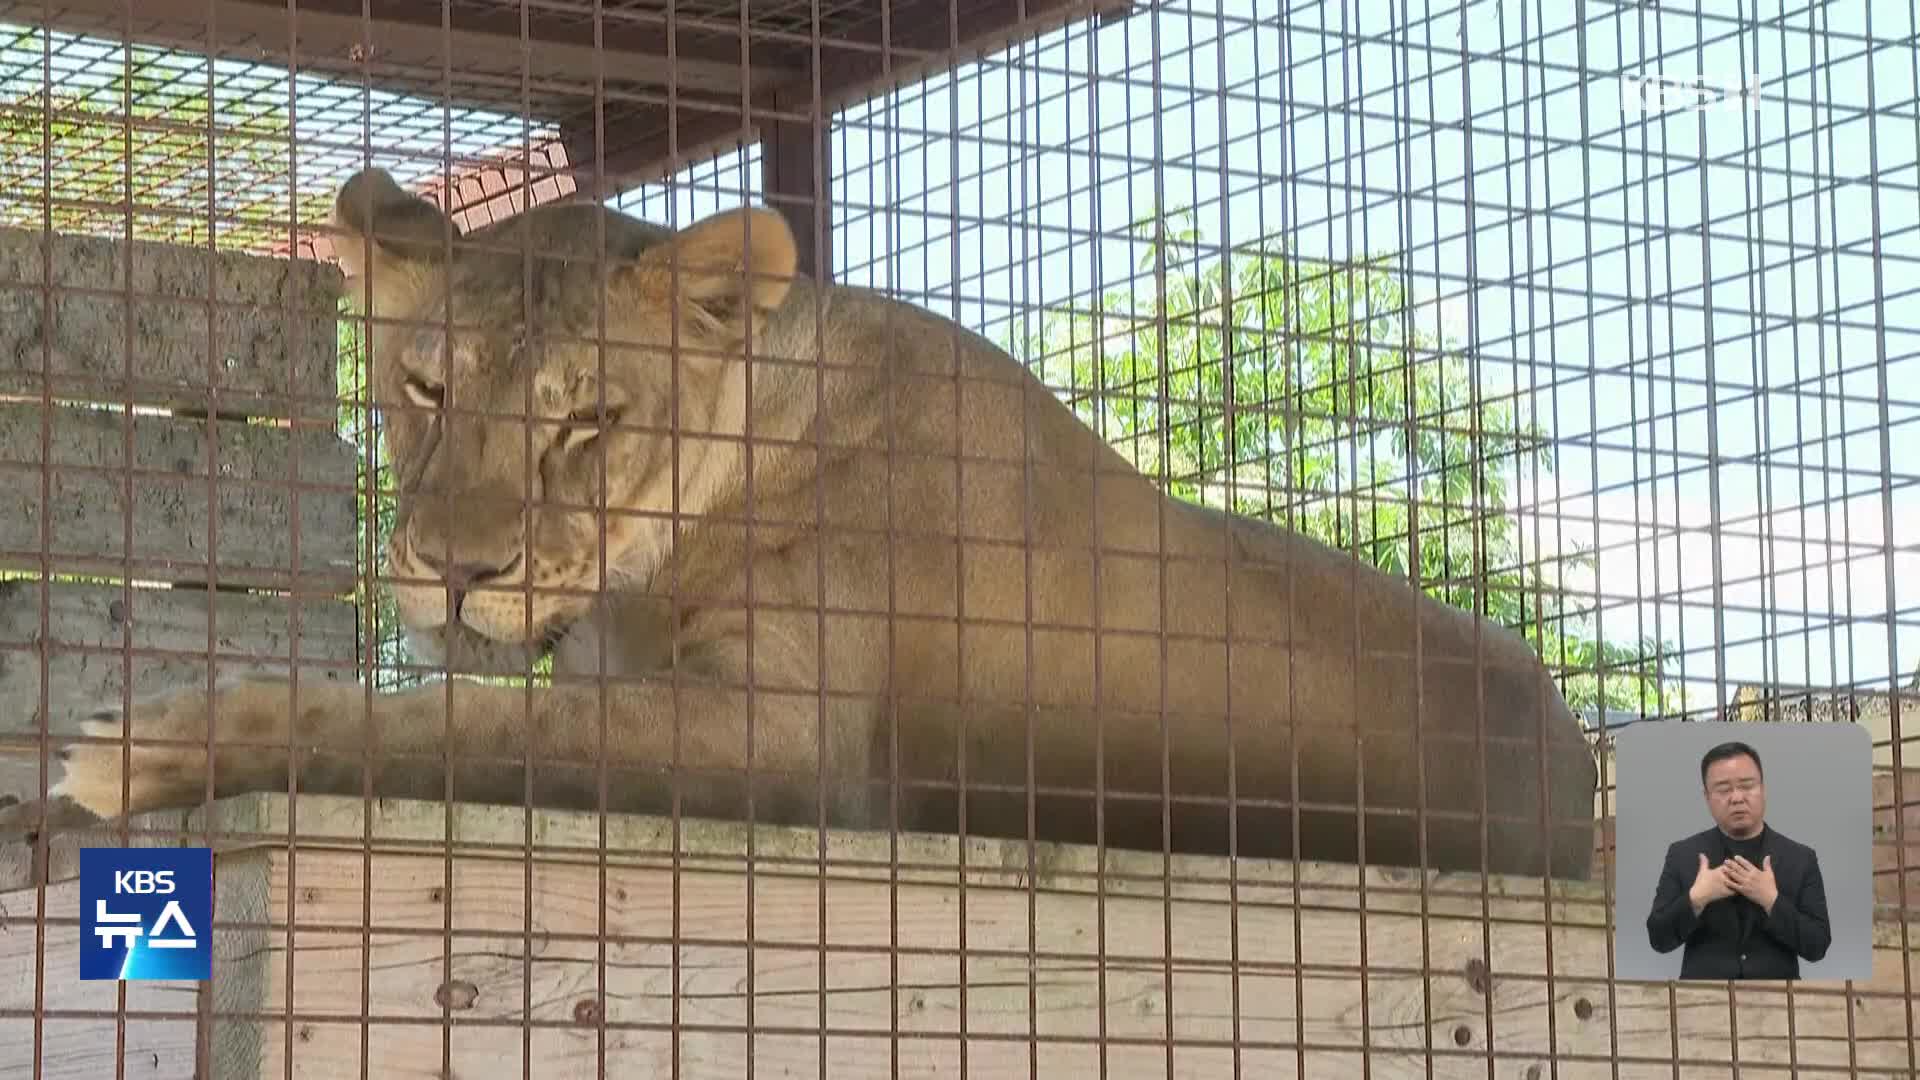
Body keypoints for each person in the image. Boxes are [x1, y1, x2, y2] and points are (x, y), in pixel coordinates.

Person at [1644, 740, 1831, 979]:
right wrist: (1696, 898)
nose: (1737, 798)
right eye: (1723, 789)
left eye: (1747, 786)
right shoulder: (1682, 855)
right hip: (1701, 1003)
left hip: (1779, 1005)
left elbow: (1818, 946)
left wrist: (1772, 901)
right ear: (1707, 796)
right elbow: (1658, 939)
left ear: (1763, 789)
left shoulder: (1801, 858)